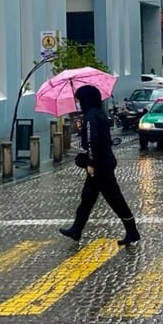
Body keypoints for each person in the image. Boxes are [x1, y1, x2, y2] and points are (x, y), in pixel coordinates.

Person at [60, 85, 141, 246]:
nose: (77, 103)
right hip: (103, 162)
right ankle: (76, 229)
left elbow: (92, 141)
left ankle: (132, 230)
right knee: (87, 198)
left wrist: (90, 163)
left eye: (79, 99)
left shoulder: (90, 116)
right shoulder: (99, 114)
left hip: (99, 166)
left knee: (115, 199)